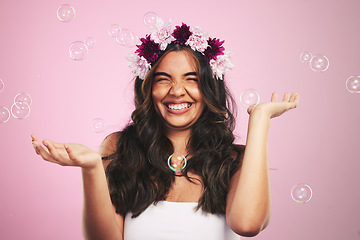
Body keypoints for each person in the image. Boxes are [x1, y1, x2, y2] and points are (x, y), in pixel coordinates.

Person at [31, 19, 299, 240]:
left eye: (191, 79)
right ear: (148, 88)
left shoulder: (234, 160)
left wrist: (261, 119)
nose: (177, 91)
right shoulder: (119, 148)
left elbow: (248, 224)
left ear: (209, 88)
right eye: (163, 79)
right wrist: (91, 168)